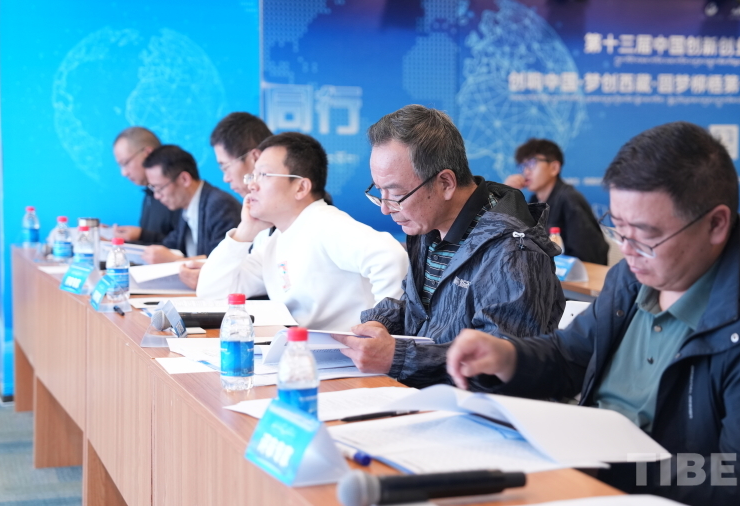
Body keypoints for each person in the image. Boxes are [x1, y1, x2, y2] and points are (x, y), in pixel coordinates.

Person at [446, 122, 740, 505]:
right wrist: (509, 357)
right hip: (584, 474)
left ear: (715, 224)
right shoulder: (633, 278)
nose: (627, 249)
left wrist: (607, 469)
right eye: (619, 228)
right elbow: (571, 356)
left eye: (645, 234)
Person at [331, 104, 566, 388]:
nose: (385, 208)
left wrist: (398, 357)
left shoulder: (514, 252)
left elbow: (497, 368)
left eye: (396, 194)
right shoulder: (428, 226)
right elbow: (418, 308)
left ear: (445, 183)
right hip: (418, 394)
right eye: (379, 191)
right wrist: (380, 323)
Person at [197, 132, 408, 329]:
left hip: (344, 353)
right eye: (253, 176)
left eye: (263, 175)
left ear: (300, 187)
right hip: (303, 348)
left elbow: (391, 257)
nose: (252, 185)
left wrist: (379, 328)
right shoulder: (277, 239)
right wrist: (245, 231)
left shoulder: (326, 223)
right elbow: (212, 293)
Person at [179, 112, 273, 288]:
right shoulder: (259, 213)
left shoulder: (291, 217)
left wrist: (214, 278)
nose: (226, 178)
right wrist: (214, 272)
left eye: (225, 167)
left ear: (254, 158)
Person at [505, 138, 608, 264]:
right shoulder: (534, 200)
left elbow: (589, 256)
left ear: (554, 168)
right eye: (523, 166)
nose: (526, 171)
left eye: (532, 163)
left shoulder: (569, 199)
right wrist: (506, 196)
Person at [140, 145, 242, 264]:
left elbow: (223, 263)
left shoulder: (220, 205)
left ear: (184, 179)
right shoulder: (187, 207)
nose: (157, 196)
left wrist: (177, 260)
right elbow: (169, 245)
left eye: (159, 188)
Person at [111, 127, 180, 244]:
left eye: (125, 163)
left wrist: (142, 235)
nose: (124, 173)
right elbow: (150, 249)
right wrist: (113, 241)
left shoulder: (176, 192)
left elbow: (183, 246)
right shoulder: (149, 193)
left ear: (148, 153)